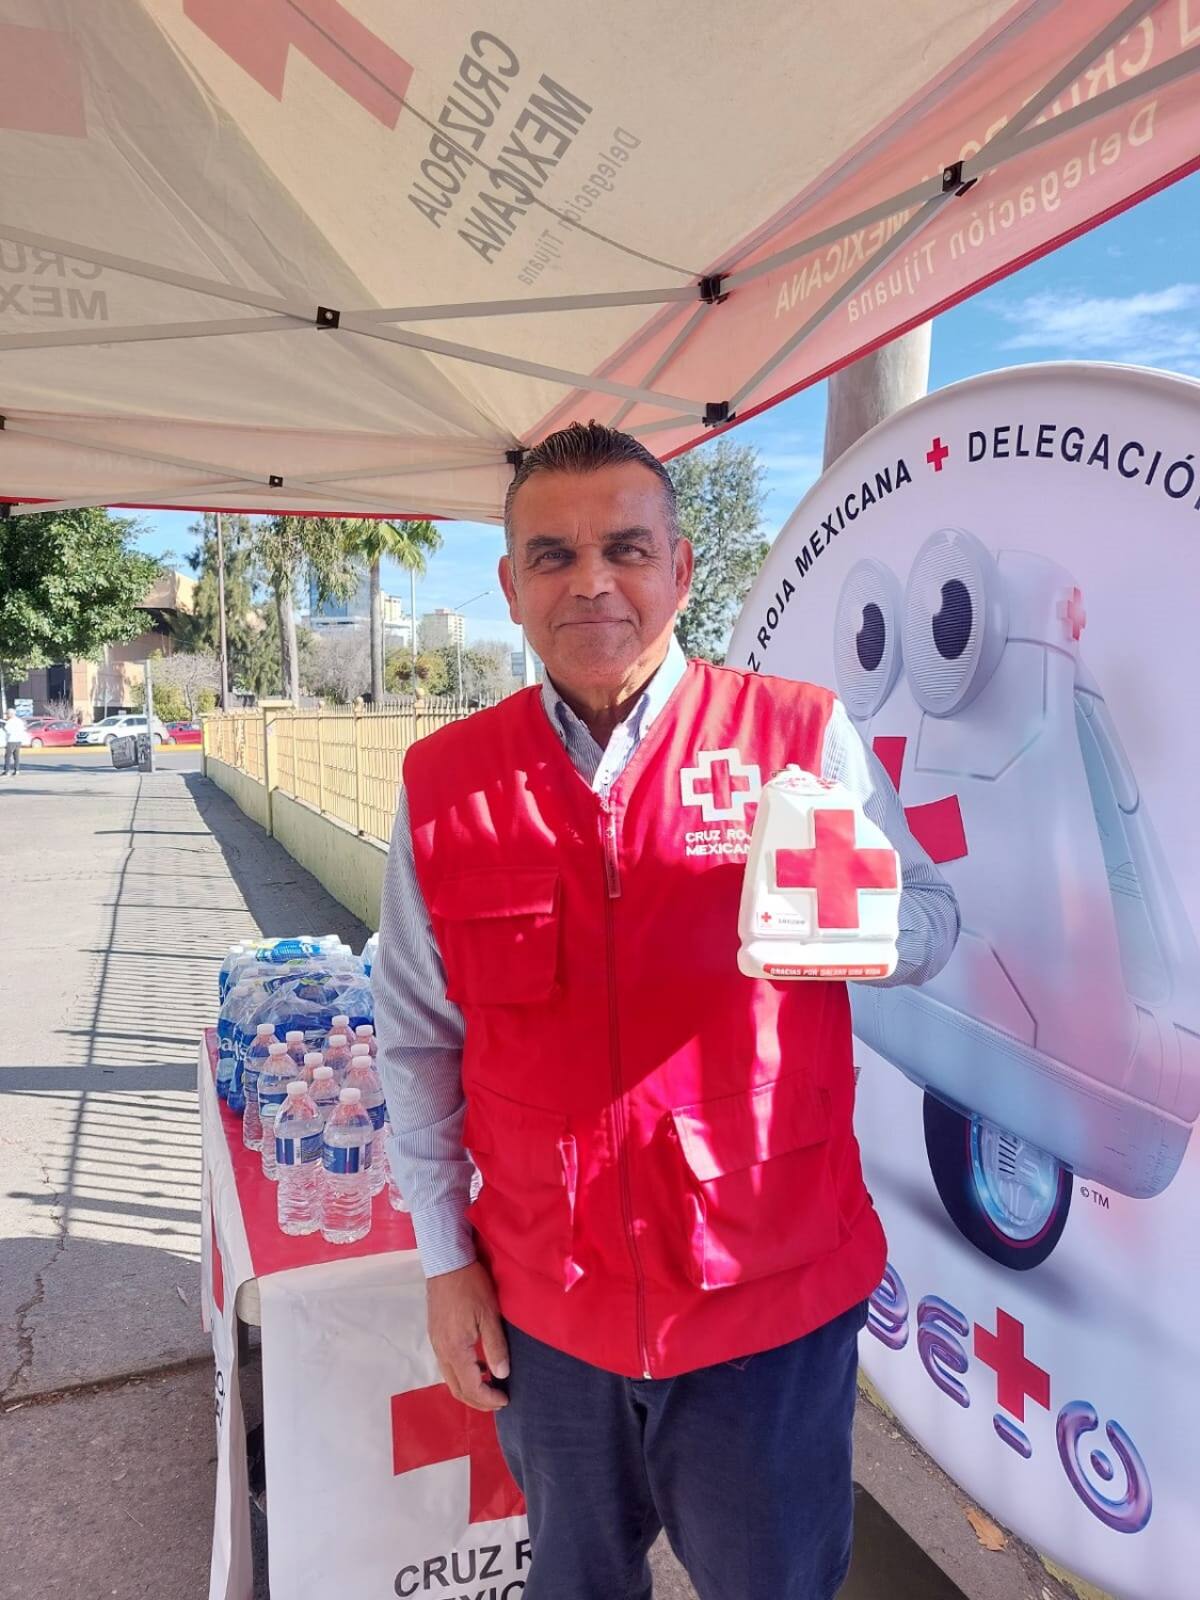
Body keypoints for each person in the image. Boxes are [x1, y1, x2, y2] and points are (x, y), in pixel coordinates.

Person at [376, 422, 960, 1600]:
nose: (591, 579)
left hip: (768, 1310)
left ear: (681, 570)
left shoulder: (797, 740)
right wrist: (447, 1263)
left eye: (626, 548)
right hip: (551, 1318)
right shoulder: (448, 785)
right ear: (509, 586)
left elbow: (936, 925)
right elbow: (417, 1039)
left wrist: (853, 932)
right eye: (552, 555)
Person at [2, 709, 27, 776]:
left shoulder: (10, 721)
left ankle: (7, 771)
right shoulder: (19, 721)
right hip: (18, 740)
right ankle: (17, 770)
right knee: (16, 756)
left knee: (7, 756)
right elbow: (23, 729)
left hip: (11, 740)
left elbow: (8, 730)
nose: (6, 715)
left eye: (7, 713)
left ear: (11, 714)